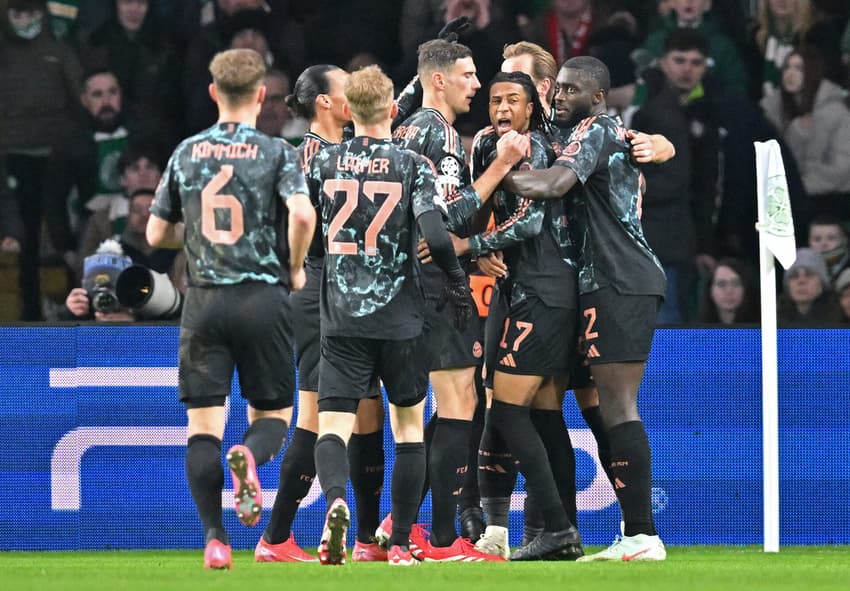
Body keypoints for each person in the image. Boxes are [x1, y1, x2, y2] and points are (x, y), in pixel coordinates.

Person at [146, 48, 316, 570]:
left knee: (202, 428)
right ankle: (249, 456)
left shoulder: (187, 152)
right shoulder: (277, 153)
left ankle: (216, 539)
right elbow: (303, 214)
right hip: (262, 298)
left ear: (214, 92)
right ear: (262, 95)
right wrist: (293, 265)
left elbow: (155, 233)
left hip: (203, 299)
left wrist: (195, 236)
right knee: (273, 417)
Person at [305, 64, 475, 566]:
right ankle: (399, 543)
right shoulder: (412, 164)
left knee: (332, 426)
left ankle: (338, 502)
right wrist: (459, 282)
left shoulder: (323, 162)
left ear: (349, 111)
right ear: (393, 111)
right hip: (401, 319)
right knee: (407, 430)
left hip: (341, 319)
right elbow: (438, 235)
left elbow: (305, 226)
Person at [501, 55, 668, 562]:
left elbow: (553, 185)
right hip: (605, 281)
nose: (560, 97)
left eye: (572, 91)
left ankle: (642, 534)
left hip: (621, 279)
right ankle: (621, 532)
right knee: (603, 409)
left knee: (618, 407)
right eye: (560, 89)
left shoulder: (597, 129)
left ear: (597, 97)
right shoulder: (605, 132)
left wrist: (489, 180)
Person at [385, 37, 522, 562]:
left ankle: (397, 534)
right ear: (438, 81)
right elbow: (447, 219)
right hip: (431, 286)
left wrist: (469, 258)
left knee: (413, 413)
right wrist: (500, 167)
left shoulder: (404, 128)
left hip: (397, 285)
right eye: (467, 75)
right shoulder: (438, 132)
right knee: (459, 402)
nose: (478, 85)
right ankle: (444, 538)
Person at [255, 64, 387, 564]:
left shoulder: (330, 153)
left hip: (351, 297)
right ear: (326, 103)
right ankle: (277, 536)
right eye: (345, 87)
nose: (355, 94)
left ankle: (368, 538)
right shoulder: (314, 158)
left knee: (367, 411)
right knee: (316, 414)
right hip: (319, 293)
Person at [778, 247, 843, 326]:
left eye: (809, 274)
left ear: (822, 283)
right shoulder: (773, 321)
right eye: (794, 276)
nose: (801, 281)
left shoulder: (841, 320)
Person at [697, 257, 760, 324]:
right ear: (710, 290)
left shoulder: (762, 328)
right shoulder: (698, 331)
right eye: (721, 284)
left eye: (736, 283)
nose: (729, 291)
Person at [806, 215, 850, 285]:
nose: (824, 244)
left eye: (831, 238)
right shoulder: (801, 270)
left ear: (844, 240)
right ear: (809, 242)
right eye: (817, 239)